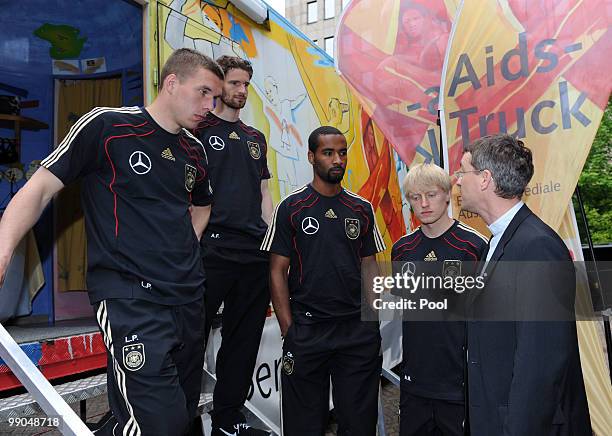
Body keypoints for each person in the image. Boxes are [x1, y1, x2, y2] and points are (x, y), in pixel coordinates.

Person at [0, 48, 223, 436]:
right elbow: (38, 189)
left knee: (181, 416)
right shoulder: (108, 127)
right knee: (160, 424)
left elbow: (203, 206)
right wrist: (3, 249)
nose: (211, 105)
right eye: (204, 93)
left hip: (188, 300)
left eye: (215, 98)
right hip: (130, 299)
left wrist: (186, 243)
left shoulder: (195, 150)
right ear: (172, 83)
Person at [456, 133, 591, 434]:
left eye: (462, 172)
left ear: (485, 179)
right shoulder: (497, 242)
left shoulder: (537, 247)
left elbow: (541, 363)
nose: (457, 181)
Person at [262, 126, 386, 436]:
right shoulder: (291, 207)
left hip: (355, 333)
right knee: (304, 425)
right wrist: (289, 328)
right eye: (328, 153)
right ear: (311, 157)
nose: (337, 159)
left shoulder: (361, 208)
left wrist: (371, 321)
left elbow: (370, 265)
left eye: (342, 153)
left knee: (359, 425)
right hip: (308, 331)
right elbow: (277, 270)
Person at [193, 55, 272, 436]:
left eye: (245, 85)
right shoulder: (197, 131)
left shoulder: (257, 139)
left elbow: (265, 195)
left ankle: (228, 419)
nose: (241, 91)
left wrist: (274, 242)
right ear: (219, 85)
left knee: (243, 341)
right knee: (192, 337)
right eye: (235, 83)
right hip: (210, 251)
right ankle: (182, 418)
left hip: (254, 254)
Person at [391, 163, 487, 436]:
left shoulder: (474, 245)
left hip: (458, 383)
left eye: (431, 194)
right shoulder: (402, 249)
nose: (424, 203)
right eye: (415, 197)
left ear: (447, 194)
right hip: (414, 382)